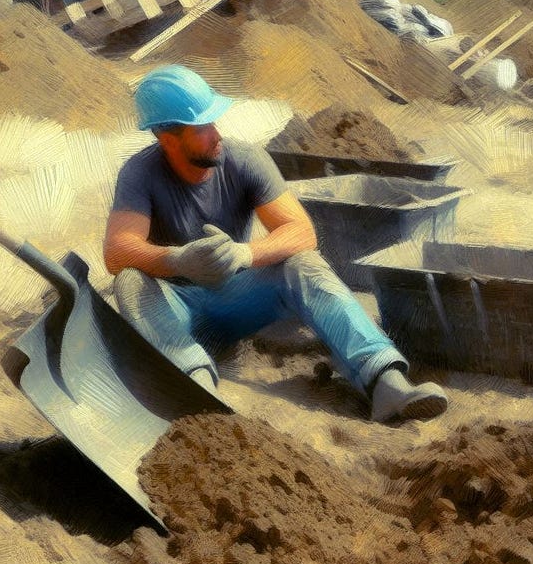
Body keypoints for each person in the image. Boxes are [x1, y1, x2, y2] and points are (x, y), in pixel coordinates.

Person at [103, 65, 448, 423]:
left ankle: (385, 382)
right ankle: (199, 391)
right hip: (176, 311)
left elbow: (301, 231)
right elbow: (116, 251)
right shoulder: (139, 173)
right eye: (203, 127)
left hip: (237, 298)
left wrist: (245, 252)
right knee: (128, 282)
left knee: (305, 263)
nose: (216, 134)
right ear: (167, 138)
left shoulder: (243, 159)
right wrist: (177, 260)